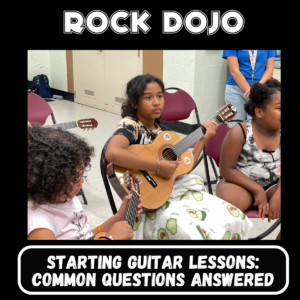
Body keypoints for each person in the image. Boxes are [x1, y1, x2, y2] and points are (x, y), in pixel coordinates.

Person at [105, 74, 253, 240]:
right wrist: (158, 166)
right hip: (144, 198)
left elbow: (185, 165)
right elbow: (113, 153)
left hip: (168, 192)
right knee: (193, 233)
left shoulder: (164, 132)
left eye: (160, 96)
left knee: (232, 217)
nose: (156, 102)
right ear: (134, 102)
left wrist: (202, 140)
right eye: (148, 97)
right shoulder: (131, 125)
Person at [28, 124, 143, 240]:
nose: (81, 180)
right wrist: (109, 239)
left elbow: (85, 236)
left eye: (81, 172)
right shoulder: (39, 227)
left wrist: (119, 216)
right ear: (48, 182)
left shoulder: (65, 197)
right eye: (75, 177)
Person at [216, 79, 281, 239]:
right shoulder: (240, 132)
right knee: (229, 201)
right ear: (259, 112)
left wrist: (279, 194)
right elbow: (226, 170)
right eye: (279, 108)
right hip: (240, 184)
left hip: (274, 185)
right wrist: (257, 190)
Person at [222, 50, 277, 127]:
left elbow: (269, 69)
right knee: (234, 125)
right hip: (235, 90)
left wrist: (256, 89)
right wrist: (251, 91)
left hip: (258, 91)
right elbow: (234, 71)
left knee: (255, 125)